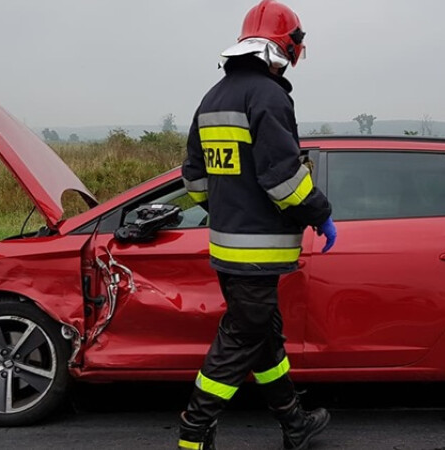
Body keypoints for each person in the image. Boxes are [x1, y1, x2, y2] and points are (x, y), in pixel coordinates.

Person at [178, 1, 337, 448]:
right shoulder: (267, 95)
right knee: (238, 342)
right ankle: (194, 432)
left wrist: (227, 208)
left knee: (264, 338)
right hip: (259, 254)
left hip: (228, 251)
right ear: (289, 46)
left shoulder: (214, 95)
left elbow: (193, 178)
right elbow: (283, 178)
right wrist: (320, 214)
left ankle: (294, 423)